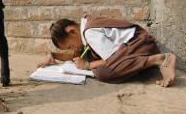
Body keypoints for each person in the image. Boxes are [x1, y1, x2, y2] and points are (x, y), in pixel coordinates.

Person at [37, 15, 176, 87]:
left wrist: (87, 66)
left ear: (72, 32)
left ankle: (159, 59)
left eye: (70, 46)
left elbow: (111, 59)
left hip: (139, 44)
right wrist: (53, 56)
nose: (73, 50)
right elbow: (77, 57)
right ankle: (143, 64)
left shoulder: (90, 33)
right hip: (133, 47)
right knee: (90, 59)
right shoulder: (84, 31)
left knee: (104, 73)